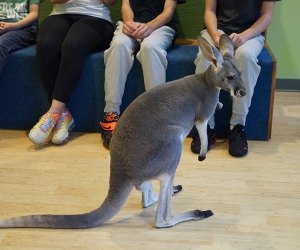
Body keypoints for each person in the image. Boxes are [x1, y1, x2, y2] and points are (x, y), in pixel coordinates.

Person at [191, 0, 280, 157]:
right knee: (205, 59)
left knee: (245, 57)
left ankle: (237, 127)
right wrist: (214, 35)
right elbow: (210, 11)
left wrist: (244, 36)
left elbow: (267, 15)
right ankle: (206, 126)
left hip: (250, 34)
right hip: (216, 32)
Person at [28, 0, 116, 145]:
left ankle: (53, 112)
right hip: (60, 14)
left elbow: (111, 2)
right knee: (46, 45)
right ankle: (63, 115)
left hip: (97, 18)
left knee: (72, 45)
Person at [99, 0, 181, 149]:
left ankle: (158, 118)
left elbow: (168, 12)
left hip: (160, 27)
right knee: (119, 45)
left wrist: (149, 26)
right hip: (131, 26)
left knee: (150, 48)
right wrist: (129, 22)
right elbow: (126, 5)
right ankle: (111, 113)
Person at [0, 0, 40, 74]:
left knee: (1, 44)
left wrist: (14, 26)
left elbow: (34, 13)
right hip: (2, 25)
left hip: (24, 28)